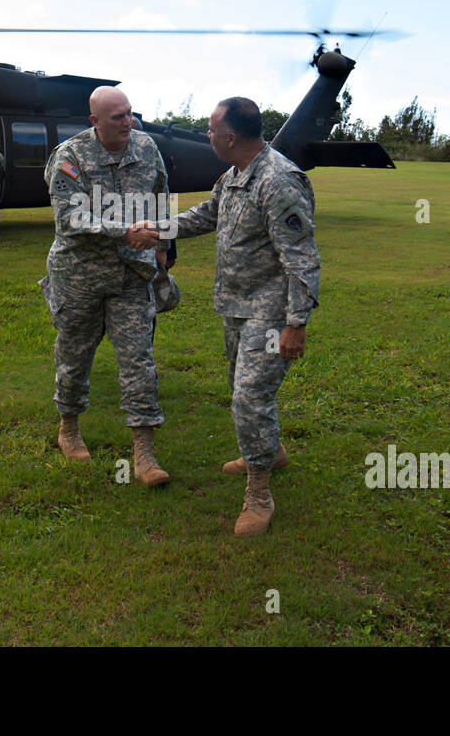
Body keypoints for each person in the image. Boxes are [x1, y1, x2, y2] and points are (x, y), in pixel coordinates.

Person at [130, 97, 319, 536]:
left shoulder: (279, 181)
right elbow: (207, 215)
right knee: (241, 387)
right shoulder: (233, 176)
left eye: (212, 129)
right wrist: (160, 230)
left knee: (249, 397)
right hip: (236, 305)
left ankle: (259, 494)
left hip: (270, 313)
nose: (208, 136)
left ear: (230, 137)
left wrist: (296, 323)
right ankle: (269, 451)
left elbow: (303, 258)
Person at [39, 86, 173, 486]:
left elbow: (161, 196)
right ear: (95, 121)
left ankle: (144, 454)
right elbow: (70, 220)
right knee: (74, 356)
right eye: (118, 118)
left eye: (130, 114)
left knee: (139, 360)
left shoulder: (146, 148)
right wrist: (125, 231)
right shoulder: (70, 156)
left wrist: (164, 246)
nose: (128, 124)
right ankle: (69, 427)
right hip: (79, 277)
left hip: (132, 275)